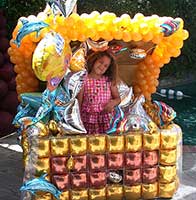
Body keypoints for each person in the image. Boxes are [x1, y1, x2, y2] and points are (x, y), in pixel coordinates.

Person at [77, 50, 121, 134]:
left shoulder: (109, 81)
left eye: (105, 66)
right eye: (100, 62)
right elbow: (79, 101)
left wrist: (112, 103)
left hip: (105, 119)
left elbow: (118, 98)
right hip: (88, 119)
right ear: (94, 61)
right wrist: (78, 120)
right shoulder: (84, 80)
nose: (102, 67)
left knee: (105, 142)